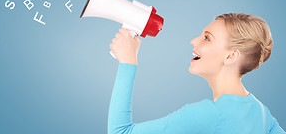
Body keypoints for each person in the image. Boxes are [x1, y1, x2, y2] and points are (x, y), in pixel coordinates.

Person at [108, 13, 285, 134]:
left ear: (231, 56)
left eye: (207, 38)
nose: (193, 41)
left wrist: (127, 61)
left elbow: (119, 132)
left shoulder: (209, 114)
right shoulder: (261, 112)